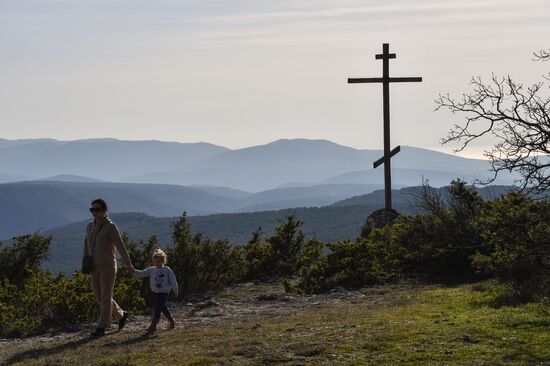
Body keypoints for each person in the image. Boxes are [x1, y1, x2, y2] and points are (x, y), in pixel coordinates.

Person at [83, 198, 135, 337]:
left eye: (97, 209)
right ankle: (121, 315)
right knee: (100, 297)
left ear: (104, 211)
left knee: (106, 297)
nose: (94, 212)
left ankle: (102, 327)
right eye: (92, 209)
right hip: (94, 266)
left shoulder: (110, 227)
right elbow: (86, 246)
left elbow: (121, 246)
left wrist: (128, 264)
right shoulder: (89, 226)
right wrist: (85, 263)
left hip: (108, 266)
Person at [132, 249, 178, 333]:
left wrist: (175, 289)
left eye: (159, 261)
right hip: (155, 291)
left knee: (157, 306)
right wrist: (133, 271)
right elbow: (142, 273)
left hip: (164, 291)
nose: (157, 263)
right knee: (162, 307)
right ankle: (171, 320)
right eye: (155, 261)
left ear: (163, 261)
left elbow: (173, 280)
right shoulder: (151, 269)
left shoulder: (167, 270)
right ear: (153, 261)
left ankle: (154, 324)